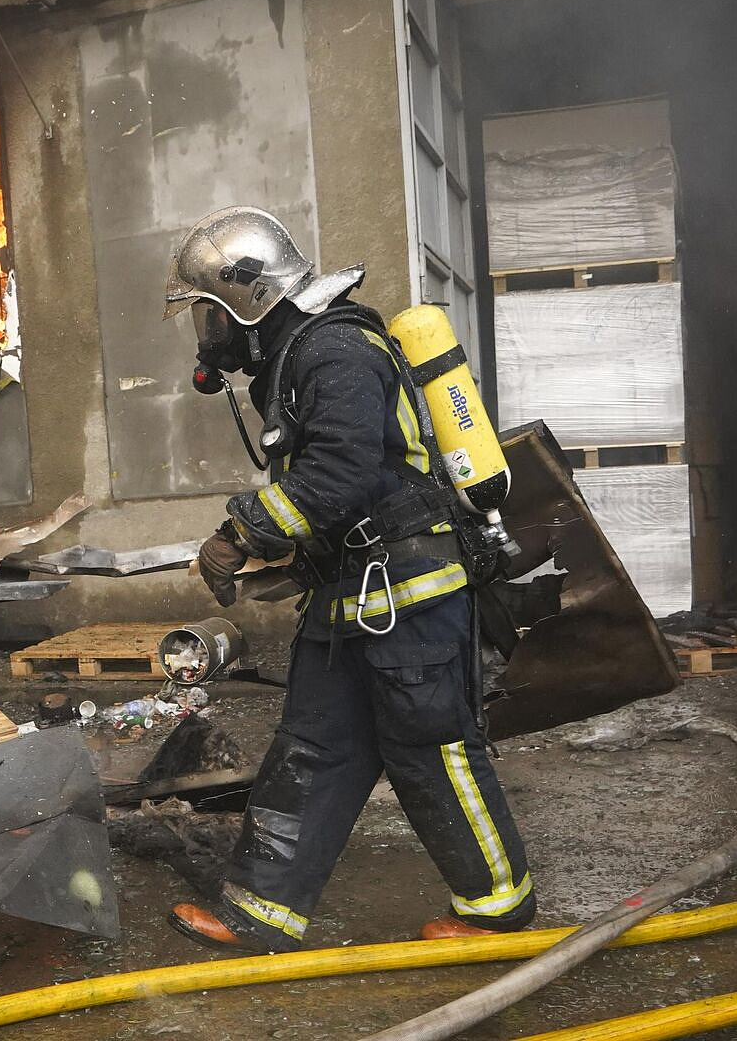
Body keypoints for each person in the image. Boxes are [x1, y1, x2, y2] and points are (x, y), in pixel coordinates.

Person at [161, 206, 536, 950]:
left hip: (412, 597)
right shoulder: (296, 358)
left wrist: (242, 532)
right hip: (350, 596)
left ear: (249, 295)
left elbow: (341, 472)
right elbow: (343, 490)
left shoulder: (336, 350)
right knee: (313, 746)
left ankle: (499, 909)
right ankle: (264, 912)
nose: (209, 337)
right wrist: (296, 557)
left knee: (433, 747)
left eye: (209, 314)